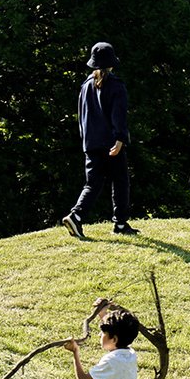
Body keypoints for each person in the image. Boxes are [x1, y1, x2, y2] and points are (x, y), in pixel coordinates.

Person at [62, 42, 138, 237]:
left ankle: (76, 216)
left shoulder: (85, 86)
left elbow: (82, 116)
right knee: (120, 181)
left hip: (91, 143)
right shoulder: (115, 85)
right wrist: (120, 138)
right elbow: (118, 115)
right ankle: (120, 224)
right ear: (111, 63)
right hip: (111, 142)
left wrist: (86, 142)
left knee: (92, 183)